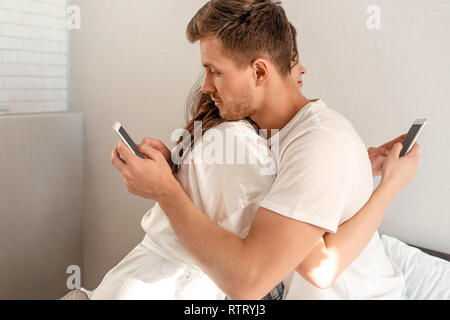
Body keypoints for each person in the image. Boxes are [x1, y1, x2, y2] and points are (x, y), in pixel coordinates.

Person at [109, 0, 420, 300]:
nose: (205, 86)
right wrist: (180, 171)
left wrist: (166, 191)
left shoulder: (321, 146)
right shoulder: (265, 137)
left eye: (214, 71)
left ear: (259, 72)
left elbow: (256, 282)